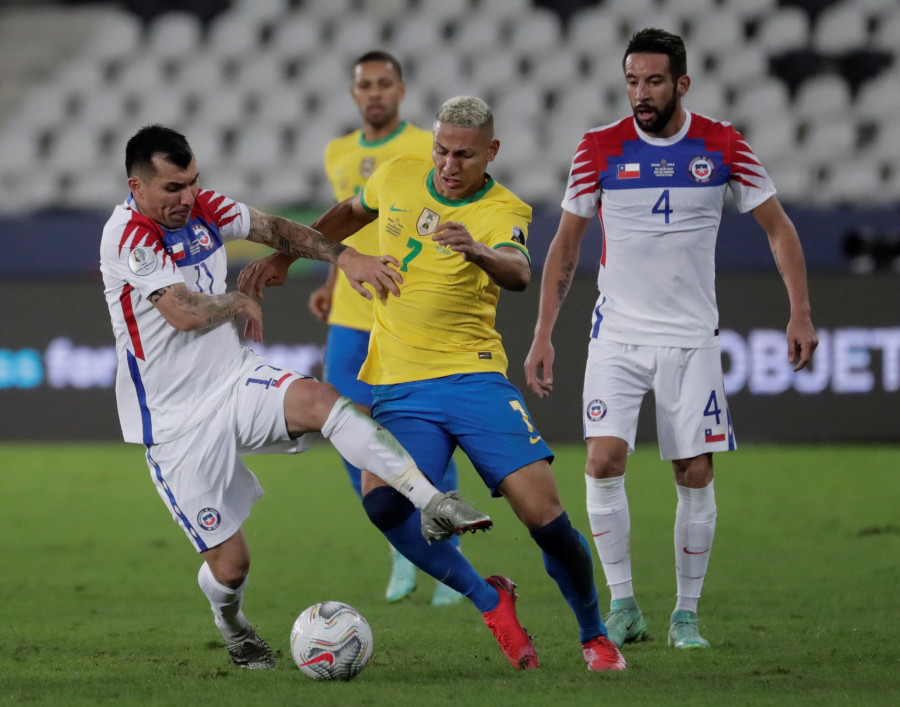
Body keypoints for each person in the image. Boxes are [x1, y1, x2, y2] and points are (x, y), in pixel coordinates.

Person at [239, 96, 626, 671]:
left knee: (544, 517)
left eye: (464, 155)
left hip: (475, 379)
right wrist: (289, 257)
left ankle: (594, 634)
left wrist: (477, 249)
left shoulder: (502, 209)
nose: (448, 164)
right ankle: (492, 601)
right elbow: (349, 211)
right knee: (382, 505)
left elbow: (519, 271)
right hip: (401, 385)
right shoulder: (397, 176)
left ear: (490, 152)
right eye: (441, 150)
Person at [99, 124, 491, 671]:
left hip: (232, 379)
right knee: (231, 568)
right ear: (136, 188)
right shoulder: (128, 238)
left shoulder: (204, 207)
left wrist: (344, 257)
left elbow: (275, 228)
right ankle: (232, 627)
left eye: (191, 182)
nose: (186, 197)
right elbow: (183, 312)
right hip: (174, 423)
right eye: (171, 188)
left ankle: (433, 504)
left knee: (320, 401)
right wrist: (238, 300)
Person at [524, 28, 818, 650]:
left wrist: (800, 312)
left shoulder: (723, 143)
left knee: (694, 471)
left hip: (691, 339)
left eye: (654, 82)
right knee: (603, 460)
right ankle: (624, 602)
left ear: (682, 83)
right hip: (618, 336)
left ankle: (687, 613)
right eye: (632, 81)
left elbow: (778, 228)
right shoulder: (597, 149)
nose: (641, 94)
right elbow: (567, 247)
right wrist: (544, 332)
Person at [308, 50, 463, 606]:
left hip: (403, 314)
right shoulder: (338, 151)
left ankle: (449, 549)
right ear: (354, 94)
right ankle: (401, 547)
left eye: (384, 83)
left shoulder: (427, 148)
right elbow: (345, 221)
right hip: (351, 316)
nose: (374, 93)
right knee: (350, 438)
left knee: (426, 432)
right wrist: (330, 283)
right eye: (365, 85)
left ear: (400, 90)